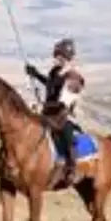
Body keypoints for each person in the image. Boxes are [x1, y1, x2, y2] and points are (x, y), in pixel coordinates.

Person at [25, 37, 85, 187]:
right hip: (48, 113)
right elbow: (51, 84)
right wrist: (35, 74)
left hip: (62, 116)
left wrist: (40, 104)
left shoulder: (74, 77)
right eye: (56, 55)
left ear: (67, 57)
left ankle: (71, 168)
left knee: (65, 132)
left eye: (59, 56)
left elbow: (62, 102)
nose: (56, 58)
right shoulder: (55, 72)